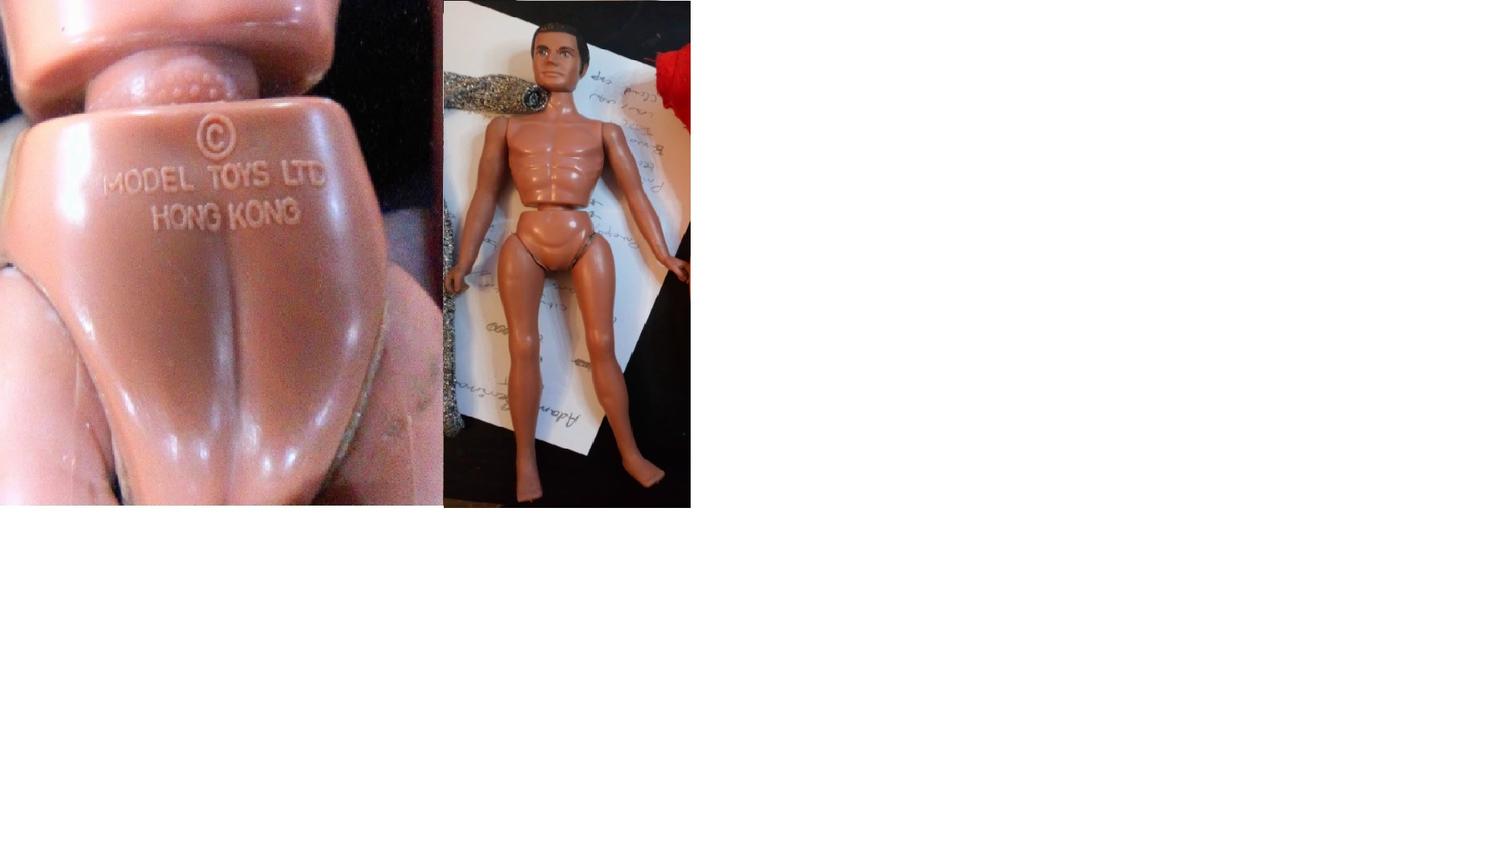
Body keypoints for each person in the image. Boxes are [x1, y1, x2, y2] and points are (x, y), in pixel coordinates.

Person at [447, 22, 688, 504]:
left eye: (564, 52)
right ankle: (524, 461)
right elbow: (484, 197)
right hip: (526, 240)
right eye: (542, 51)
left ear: (583, 65)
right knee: (522, 347)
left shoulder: (604, 132)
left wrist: (664, 253)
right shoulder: (506, 128)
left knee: (602, 345)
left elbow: (636, 196)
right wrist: (465, 259)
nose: (552, 60)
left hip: (584, 239)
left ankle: (629, 452)